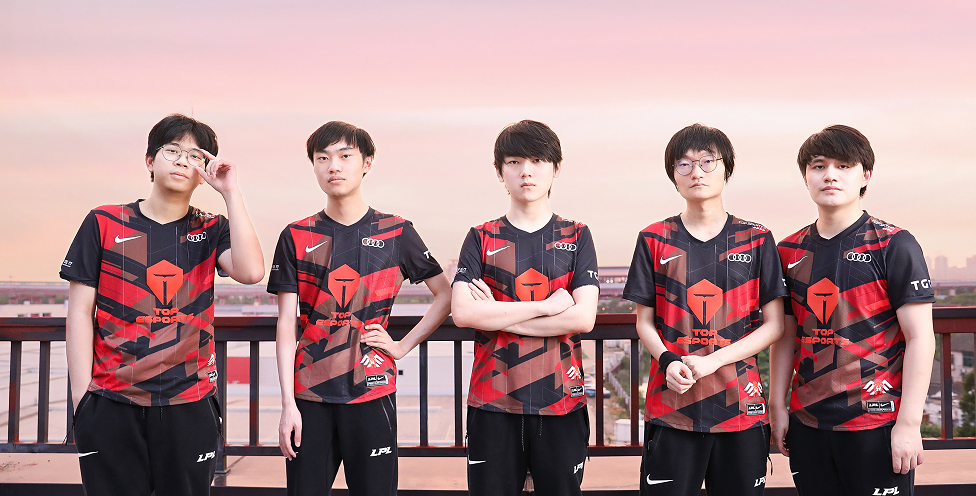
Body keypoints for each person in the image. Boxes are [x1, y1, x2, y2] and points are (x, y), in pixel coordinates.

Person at [60, 114, 265, 496]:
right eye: (172, 151)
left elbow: (252, 272)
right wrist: (81, 399)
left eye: (194, 155)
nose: (182, 161)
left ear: (203, 171)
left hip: (190, 401)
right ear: (150, 160)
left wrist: (230, 192)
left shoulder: (212, 228)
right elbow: (79, 313)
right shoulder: (105, 222)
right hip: (111, 400)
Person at [270, 121, 452, 496]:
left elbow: (445, 296)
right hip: (309, 395)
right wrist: (287, 404)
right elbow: (286, 324)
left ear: (367, 162)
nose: (333, 166)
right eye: (323, 158)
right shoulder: (296, 235)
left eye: (345, 156)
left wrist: (402, 346)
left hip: (372, 391)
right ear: (314, 165)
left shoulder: (396, 231)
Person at [769, 125, 936, 495]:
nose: (830, 175)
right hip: (808, 422)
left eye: (843, 166)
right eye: (818, 166)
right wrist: (776, 406)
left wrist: (909, 424)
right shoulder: (788, 250)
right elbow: (785, 336)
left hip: (876, 422)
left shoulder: (894, 244)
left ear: (865, 176)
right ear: (805, 177)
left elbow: (921, 337)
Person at [622, 123, 787, 496]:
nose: (696, 171)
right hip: (672, 406)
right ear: (674, 175)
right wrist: (668, 360)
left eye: (707, 161)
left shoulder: (756, 238)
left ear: (726, 169)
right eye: (684, 164)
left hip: (741, 406)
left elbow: (775, 325)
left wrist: (715, 361)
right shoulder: (654, 239)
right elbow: (644, 322)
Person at [451, 120, 600, 496]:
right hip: (492, 401)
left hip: (561, 401)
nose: (526, 171)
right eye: (514, 162)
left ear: (556, 168)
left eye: (537, 160)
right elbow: (464, 313)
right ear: (500, 172)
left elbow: (583, 318)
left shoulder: (576, 235)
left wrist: (497, 314)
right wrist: (547, 307)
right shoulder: (481, 237)